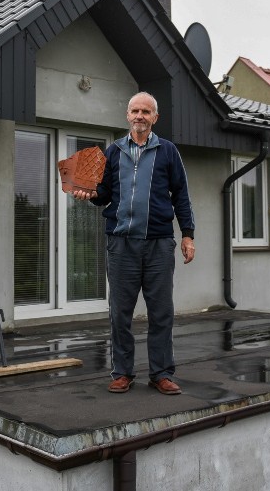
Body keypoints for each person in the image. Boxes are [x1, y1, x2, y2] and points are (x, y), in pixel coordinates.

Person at [72, 92, 195, 395]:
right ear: (127, 115)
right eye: (135, 111)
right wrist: (89, 195)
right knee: (120, 312)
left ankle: (161, 373)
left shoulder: (168, 152)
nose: (140, 116)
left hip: (158, 244)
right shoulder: (113, 152)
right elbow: (104, 193)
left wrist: (188, 234)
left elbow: (181, 195)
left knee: (161, 312)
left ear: (155, 117)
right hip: (122, 244)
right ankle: (122, 373)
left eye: (146, 112)